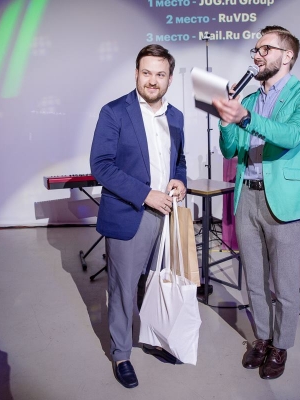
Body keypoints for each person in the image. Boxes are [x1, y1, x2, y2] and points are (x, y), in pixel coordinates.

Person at [212, 25, 300, 380]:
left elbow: (291, 135)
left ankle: (281, 346)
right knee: (255, 280)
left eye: (265, 49)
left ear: (287, 55)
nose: (257, 56)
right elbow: (230, 149)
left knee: (284, 283)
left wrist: (245, 118)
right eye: (255, 50)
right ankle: (262, 337)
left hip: (284, 201)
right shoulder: (247, 100)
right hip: (248, 196)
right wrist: (227, 119)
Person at [90, 44, 187, 389]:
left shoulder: (176, 116)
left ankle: (153, 338)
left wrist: (180, 180)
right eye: (146, 72)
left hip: (166, 215)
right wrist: (146, 194)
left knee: (156, 284)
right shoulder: (114, 112)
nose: (152, 80)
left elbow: (179, 160)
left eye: (160, 74)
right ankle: (121, 354)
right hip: (130, 213)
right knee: (123, 288)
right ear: (136, 73)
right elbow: (101, 166)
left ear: (170, 79)